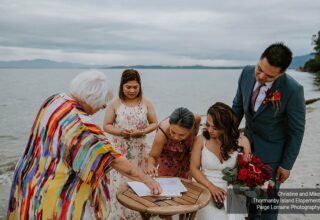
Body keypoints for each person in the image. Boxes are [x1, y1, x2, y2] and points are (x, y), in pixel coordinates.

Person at [7, 70, 161, 220]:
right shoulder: (82, 124)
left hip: (29, 175)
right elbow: (112, 159)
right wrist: (146, 179)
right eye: (101, 106)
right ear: (93, 99)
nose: (97, 111)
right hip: (54, 190)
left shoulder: (55, 100)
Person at [232, 43, 306, 219]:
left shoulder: (293, 90)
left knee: (265, 204)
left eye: (269, 75)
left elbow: (297, 131)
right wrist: (224, 136)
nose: (260, 76)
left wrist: (287, 165)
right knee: (241, 199)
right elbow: (237, 108)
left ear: (282, 73)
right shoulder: (246, 73)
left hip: (271, 157)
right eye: (259, 69)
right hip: (245, 149)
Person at [103, 69, 158, 220]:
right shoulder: (115, 103)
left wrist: (143, 131)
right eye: (128, 87)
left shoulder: (146, 102)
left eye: (135, 87)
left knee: (139, 182)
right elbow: (106, 125)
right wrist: (121, 132)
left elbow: (154, 123)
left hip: (140, 152)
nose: (132, 90)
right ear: (122, 86)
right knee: (120, 185)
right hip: (120, 152)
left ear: (140, 86)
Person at [190, 102, 251, 220]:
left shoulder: (243, 142)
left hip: (232, 191)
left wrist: (235, 188)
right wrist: (211, 187)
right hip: (205, 187)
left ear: (226, 126)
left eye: (215, 127)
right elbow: (193, 169)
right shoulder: (201, 140)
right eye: (207, 125)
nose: (210, 130)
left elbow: (247, 172)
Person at [146, 107, 201, 179]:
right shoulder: (162, 133)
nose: (176, 137)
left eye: (182, 135)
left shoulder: (196, 119)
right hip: (168, 163)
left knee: (187, 186)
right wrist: (150, 165)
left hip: (187, 161)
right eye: (173, 132)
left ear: (191, 129)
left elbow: (195, 135)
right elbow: (153, 156)